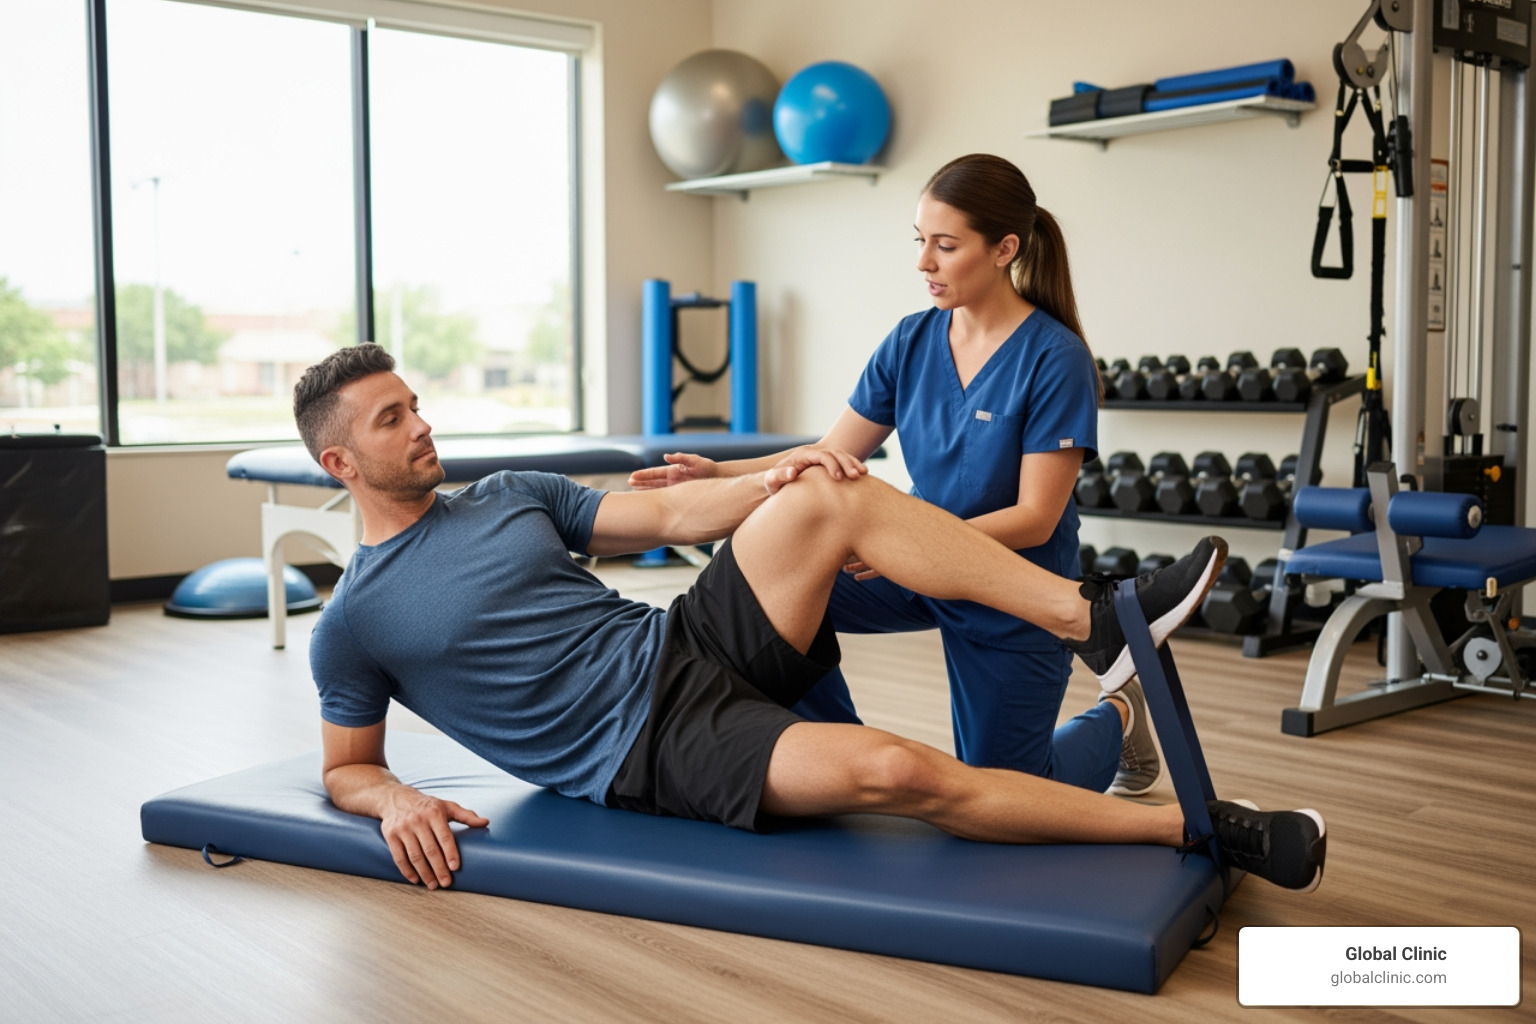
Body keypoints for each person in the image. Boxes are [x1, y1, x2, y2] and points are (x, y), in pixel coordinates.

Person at [296, 344, 1327, 895]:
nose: (423, 422)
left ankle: (1094, 621)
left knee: (833, 493)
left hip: (684, 640)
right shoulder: (354, 621)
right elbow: (347, 764)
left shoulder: (510, 491)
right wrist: (389, 798)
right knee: (901, 771)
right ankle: (1199, 829)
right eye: (394, 419)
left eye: (416, 401)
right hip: (653, 748)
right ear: (340, 462)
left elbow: (663, 513)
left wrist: (778, 474)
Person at [629, 154, 1142, 797]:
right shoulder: (910, 341)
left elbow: (1035, 517)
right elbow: (831, 451)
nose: (924, 262)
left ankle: (1117, 719)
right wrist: (717, 472)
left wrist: (906, 546)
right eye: (920, 241)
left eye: (946, 245)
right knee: (770, 584)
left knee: (1009, 793)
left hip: (1011, 584)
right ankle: (835, 753)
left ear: (1005, 248)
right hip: (906, 567)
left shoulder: (1054, 357)